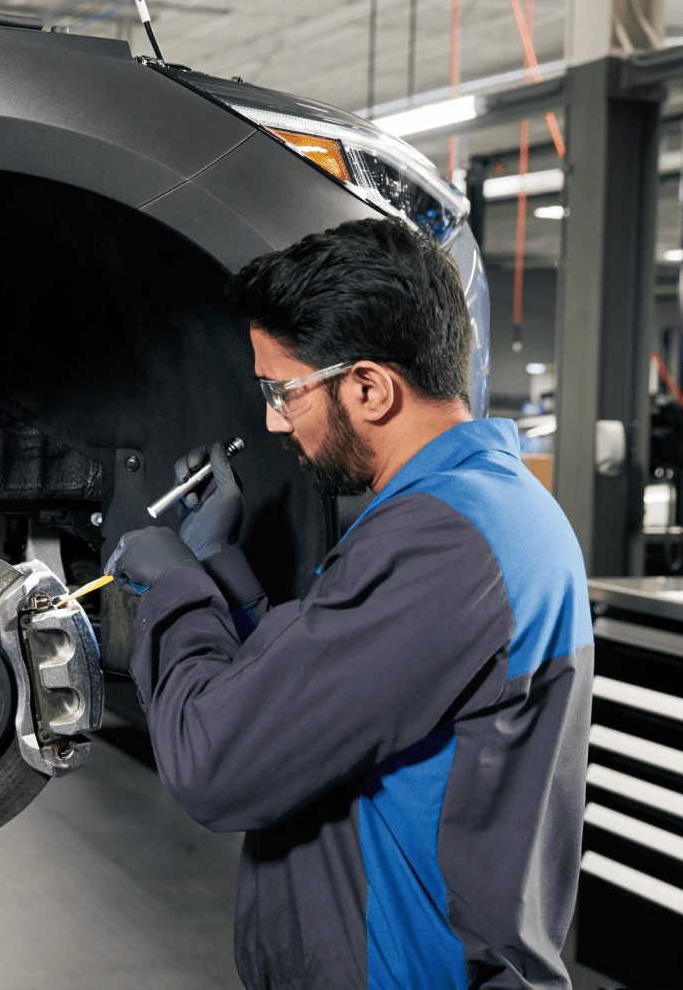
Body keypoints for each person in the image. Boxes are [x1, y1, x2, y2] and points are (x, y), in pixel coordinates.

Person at [105, 217, 592, 990]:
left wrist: (174, 591)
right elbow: (327, 699)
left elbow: (217, 763)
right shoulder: (478, 508)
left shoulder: (441, 544)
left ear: (369, 387)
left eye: (281, 391)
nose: (270, 420)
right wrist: (219, 566)